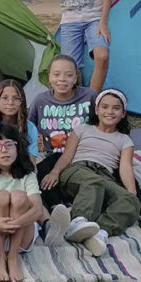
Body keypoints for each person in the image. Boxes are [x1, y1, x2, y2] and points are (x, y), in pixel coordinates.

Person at [40, 89, 141, 257]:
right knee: (93, 182)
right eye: (105, 107)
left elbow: (125, 167)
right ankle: (77, 220)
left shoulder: (125, 140)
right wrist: (55, 172)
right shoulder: (82, 129)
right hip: (78, 170)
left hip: (104, 176)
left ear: (123, 114)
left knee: (131, 201)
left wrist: (132, 192)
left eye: (116, 108)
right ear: (96, 110)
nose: (109, 111)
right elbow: (66, 156)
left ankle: (101, 232)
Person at [0, 123, 70, 282]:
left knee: (19, 197)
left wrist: (14, 224)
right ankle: (0, 256)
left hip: (21, 237)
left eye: (9, 144)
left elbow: (37, 210)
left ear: (18, 148)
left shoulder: (28, 174)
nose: (4, 150)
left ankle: (13, 257)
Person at [28, 55, 97, 207]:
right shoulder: (40, 101)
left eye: (69, 75)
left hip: (85, 153)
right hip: (55, 155)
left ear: (76, 77)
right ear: (49, 76)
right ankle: (60, 208)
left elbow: (105, 122)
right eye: (56, 74)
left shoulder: (90, 97)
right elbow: (27, 129)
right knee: (39, 174)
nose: (62, 79)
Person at [0, 80, 41, 165]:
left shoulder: (30, 127)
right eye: (5, 98)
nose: (10, 103)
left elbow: (31, 161)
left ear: (21, 102)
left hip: (21, 169)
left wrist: (31, 173)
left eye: (16, 98)